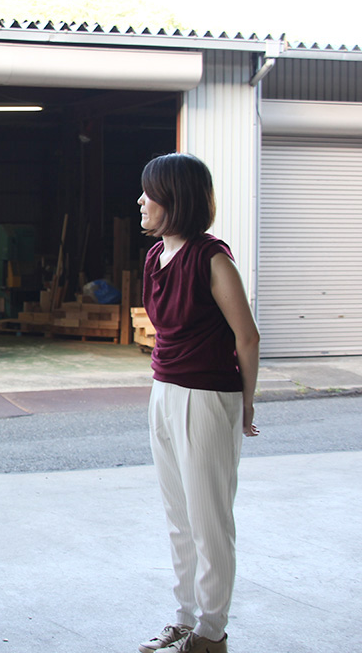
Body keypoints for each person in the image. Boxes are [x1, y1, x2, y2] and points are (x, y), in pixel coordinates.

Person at [136, 153, 260, 653]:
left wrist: (246, 406)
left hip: (208, 396)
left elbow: (246, 337)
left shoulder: (212, 257)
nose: (141, 201)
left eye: (151, 193)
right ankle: (185, 618)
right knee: (178, 516)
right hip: (164, 390)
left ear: (177, 199)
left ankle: (212, 631)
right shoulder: (154, 257)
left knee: (209, 520)